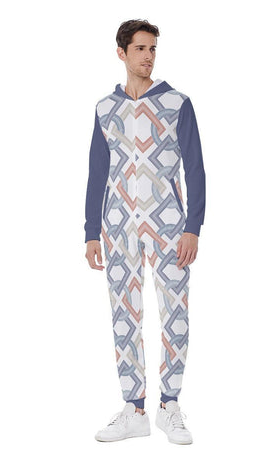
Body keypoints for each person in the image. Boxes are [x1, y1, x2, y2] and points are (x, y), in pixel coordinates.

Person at [84, 19, 206, 445]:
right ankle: (134, 408)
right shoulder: (105, 109)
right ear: (122, 53)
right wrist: (91, 231)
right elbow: (97, 172)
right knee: (124, 314)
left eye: (152, 48)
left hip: (168, 223)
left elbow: (195, 168)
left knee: (174, 312)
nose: (148, 56)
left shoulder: (176, 103)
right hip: (118, 225)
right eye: (139, 48)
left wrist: (192, 227)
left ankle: (169, 405)